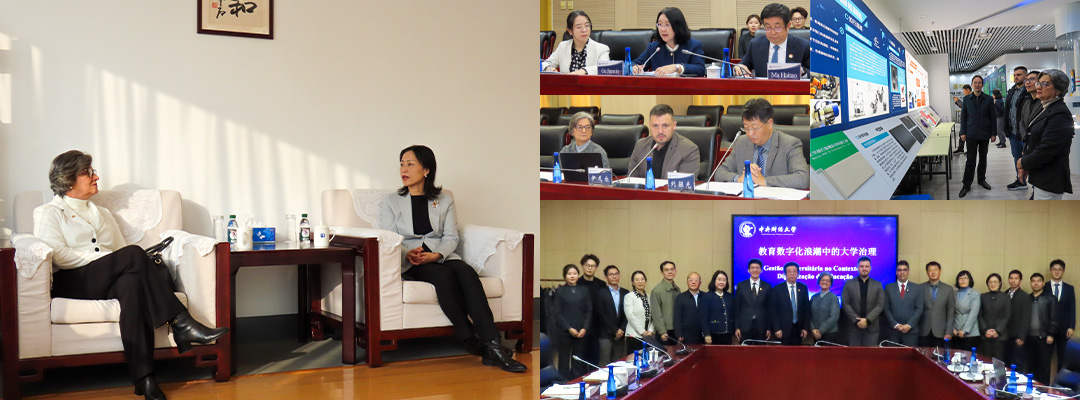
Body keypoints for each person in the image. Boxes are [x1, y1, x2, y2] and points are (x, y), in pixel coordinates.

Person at [34, 150, 230, 400]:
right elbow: (59, 255)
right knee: (134, 254)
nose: (96, 177)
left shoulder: (102, 214)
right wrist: (107, 260)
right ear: (68, 180)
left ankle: (144, 380)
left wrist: (114, 261)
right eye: (88, 172)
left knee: (132, 284)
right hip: (74, 281)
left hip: (107, 279)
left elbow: (117, 252)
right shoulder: (48, 213)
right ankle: (181, 322)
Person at [379, 145, 526, 372]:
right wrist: (407, 253)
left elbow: (451, 235)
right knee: (444, 276)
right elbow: (388, 237)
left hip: (441, 253)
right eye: (401, 164)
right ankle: (470, 340)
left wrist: (437, 254)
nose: (403, 169)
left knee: (467, 272)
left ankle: (492, 345)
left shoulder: (444, 200)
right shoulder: (391, 201)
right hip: (412, 259)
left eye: (410, 164)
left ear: (426, 169)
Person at [711, 98, 810, 189]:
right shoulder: (741, 142)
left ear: (769, 123)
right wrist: (739, 179)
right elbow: (719, 173)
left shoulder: (790, 144)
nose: (750, 134)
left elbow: (803, 178)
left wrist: (764, 181)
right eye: (746, 128)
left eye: (755, 128)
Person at [1018, 69, 1076, 200]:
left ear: (1058, 90)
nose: (1038, 87)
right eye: (1039, 83)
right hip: (1041, 175)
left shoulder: (1060, 114)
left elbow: (1047, 149)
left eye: (1045, 84)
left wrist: (1024, 162)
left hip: (1050, 178)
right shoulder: (1047, 108)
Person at [734, 3, 811, 78]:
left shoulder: (803, 46)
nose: (773, 33)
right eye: (768, 27)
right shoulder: (755, 45)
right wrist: (739, 67)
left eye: (777, 27)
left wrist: (802, 72)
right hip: (764, 89)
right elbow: (742, 65)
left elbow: (816, 74)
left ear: (788, 26)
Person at [627, 104, 700, 179]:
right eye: (655, 126)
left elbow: (683, 187)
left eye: (665, 125)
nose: (660, 131)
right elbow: (631, 181)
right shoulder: (640, 146)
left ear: (674, 125)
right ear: (650, 125)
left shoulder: (688, 150)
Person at [630, 7, 706, 76]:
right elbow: (634, 63)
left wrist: (677, 67)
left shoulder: (693, 46)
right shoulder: (654, 48)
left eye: (667, 25)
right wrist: (635, 67)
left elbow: (700, 69)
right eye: (660, 24)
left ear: (678, 26)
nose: (663, 29)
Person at [959, 75, 998, 198]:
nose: (977, 85)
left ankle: (981, 180)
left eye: (979, 83)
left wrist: (993, 133)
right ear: (972, 84)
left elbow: (993, 117)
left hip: (984, 134)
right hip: (970, 134)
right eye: (975, 83)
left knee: (983, 158)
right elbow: (963, 117)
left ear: (982, 85)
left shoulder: (988, 99)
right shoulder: (966, 99)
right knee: (970, 160)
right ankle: (966, 184)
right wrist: (962, 132)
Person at [552, 264, 592, 379]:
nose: (572, 276)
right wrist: (569, 328)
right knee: (563, 359)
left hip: (581, 331)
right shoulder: (560, 291)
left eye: (574, 273)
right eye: (569, 274)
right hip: (565, 331)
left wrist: (585, 328)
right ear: (565, 276)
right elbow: (557, 313)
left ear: (578, 275)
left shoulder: (584, 290)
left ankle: (577, 382)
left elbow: (589, 311)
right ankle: (563, 383)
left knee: (578, 359)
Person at [542, 11, 611, 75]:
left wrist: (583, 71)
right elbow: (545, 63)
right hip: (566, 87)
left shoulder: (602, 49)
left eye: (587, 26)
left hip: (590, 87)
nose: (584, 30)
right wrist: (548, 68)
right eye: (579, 27)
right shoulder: (563, 46)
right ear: (570, 31)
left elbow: (604, 68)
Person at [841, 257, 886, 346]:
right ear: (857, 267)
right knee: (854, 357)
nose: (864, 268)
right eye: (861, 266)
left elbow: (880, 305)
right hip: (854, 328)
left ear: (870, 268)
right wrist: (857, 320)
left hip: (872, 327)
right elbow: (845, 303)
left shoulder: (878, 284)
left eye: (866, 266)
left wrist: (867, 320)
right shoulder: (848, 283)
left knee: (870, 357)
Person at [1010, 70, 1042, 191]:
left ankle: (1036, 190)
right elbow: (1021, 121)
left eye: (1031, 80)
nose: (1028, 83)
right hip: (1021, 137)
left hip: (1037, 142)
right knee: (1019, 160)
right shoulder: (1027, 102)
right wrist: (1025, 137)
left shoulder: (1045, 104)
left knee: (1036, 166)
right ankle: (1022, 181)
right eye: (1027, 80)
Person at [1026, 273, 1058, 385]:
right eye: (1033, 281)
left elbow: (1054, 318)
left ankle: (1043, 391)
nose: (1036, 283)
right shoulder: (1028, 298)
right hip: (1029, 338)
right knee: (1030, 367)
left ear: (1043, 283)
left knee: (1044, 367)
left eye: (1038, 281)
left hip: (1044, 338)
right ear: (1030, 283)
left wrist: (1051, 334)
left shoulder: (1050, 298)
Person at [594, 265, 629, 366]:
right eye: (611, 274)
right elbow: (601, 314)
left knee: (619, 362)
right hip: (606, 334)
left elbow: (628, 314)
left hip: (621, 334)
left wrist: (621, 329)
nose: (614, 276)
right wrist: (614, 330)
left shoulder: (626, 292)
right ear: (606, 277)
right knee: (604, 363)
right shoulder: (601, 293)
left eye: (616, 274)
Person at [770, 262, 811, 346]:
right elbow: (774, 311)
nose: (792, 274)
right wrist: (777, 328)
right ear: (785, 274)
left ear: (798, 273)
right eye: (789, 271)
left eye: (794, 271)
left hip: (798, 329)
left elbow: (806, 309)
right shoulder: (777, 289)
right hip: (783, 329)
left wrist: (805, 328)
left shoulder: (803, 288)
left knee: (797, 355)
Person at [883, 260, 923, 347]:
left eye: (904, 270)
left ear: (908, 272)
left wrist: (909, 325)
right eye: (899, 270)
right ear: (896, 272)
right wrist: (895, 325)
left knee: (909, 359)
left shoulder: (917, 288)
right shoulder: (888, 288)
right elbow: (886, 308)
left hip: (911, 331)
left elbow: (919, 309)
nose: (902, 272)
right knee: (893, 358)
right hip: (893, 331)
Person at [734, 258, 773, 342]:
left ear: (761, 270)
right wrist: (737, 327)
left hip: (762, 326)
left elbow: (770, 309)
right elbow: (737, 308)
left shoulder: (767, 286)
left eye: (757, 268)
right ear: (748, 270)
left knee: (760, 352)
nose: (755, 270)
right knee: (745, 353)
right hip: (744, 326)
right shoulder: (741, 286)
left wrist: (769, 328)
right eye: (752, 268)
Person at [1005, 67, 1031, 190]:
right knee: (1017, 158)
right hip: (1013, 133)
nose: (1016, 77)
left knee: (1030, 158)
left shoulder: (1029, 92)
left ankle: (1036, 187)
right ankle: (1020, 181)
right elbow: (1008, 111)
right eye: (1015, 75)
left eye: (1019, 75)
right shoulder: (1011, 91)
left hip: (1025, 133)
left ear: (1026, 76)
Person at [1047, 260, 1075, 373]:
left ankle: (1059, 386)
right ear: (1050, 271)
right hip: (1047, 329)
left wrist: (1071, 326)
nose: (1057, 272)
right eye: (1054, 269)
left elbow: (1072, 308)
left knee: (1063, 359)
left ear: (1063, 271)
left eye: (1059, 270)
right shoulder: (1045, 287)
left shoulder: (1069, 288)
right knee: (1045, 359)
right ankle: (1044, 384)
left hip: (1064, 329)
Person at [576, 254, 604, 364]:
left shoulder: (601, 284)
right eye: (587, 265)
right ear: (582, 266)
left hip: (596, 327)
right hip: (580, 326)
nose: (590, 268)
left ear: (596, 268)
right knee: (580, 359)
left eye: (593, 266)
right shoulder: (576, 283)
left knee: (594, 358)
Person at [920, 261, 955, 348]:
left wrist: (948, 331)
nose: (933, 272)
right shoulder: (920, 288)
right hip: (923, 330)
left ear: (940, 271)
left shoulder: (948, 289)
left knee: (938, 359)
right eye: (930, 270)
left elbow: (950, 312)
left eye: (935, 270)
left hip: (941, 332)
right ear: (927, 272)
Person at [979, 273, 1010, 363]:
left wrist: (998, 330)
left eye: (995, 282)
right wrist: (985, 330)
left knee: (998, 363)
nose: (993, 284)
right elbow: (980, 315)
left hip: (1000, 337)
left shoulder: (1005, 297)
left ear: (1000, 283)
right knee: (985, 361)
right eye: (990, 282)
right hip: (985, 336)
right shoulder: (983, 296)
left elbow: (1007, 315)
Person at [1005, 269, 1032, 373]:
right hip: (1005, 335)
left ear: (1020, 281)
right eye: (1011, 278)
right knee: (1006, 362)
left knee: (1017, 363)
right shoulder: (1005, 294)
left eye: (1016, 278)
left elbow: (1026, 318)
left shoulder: (1025, 296)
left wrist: (1021, 337)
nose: (1013, 281)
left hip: (1017, 337)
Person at [624, 270, 657, 353]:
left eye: (642, 279)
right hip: (634, 336)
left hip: (648, 336)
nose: (640, 282)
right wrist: (643, 332)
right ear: (632, 282)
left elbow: (653, 316)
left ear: (645, 281)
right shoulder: (629, 297)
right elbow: (630, 316)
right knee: (635, 361)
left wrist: (650, 330)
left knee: (648, 361)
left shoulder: (649, 297)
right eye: (637, 280)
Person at [650, 261, 681, 345]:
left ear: (675, 271)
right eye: (666, 270)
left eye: (672, 269)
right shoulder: (657, 290)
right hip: (664, 332)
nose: (670, 272)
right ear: (662, 272)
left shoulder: (677, 289)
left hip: (676, 329)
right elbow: (656, 313)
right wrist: (662, 331)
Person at [701, 270, 735, 345]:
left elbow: (732, 315)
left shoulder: (729, 297)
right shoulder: (707, 296)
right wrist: (707, 334)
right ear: (714, 281)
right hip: (713, 335)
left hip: (728, 334)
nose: (721, 282)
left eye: (724, 280)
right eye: (719, 279)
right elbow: (704, 318)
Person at [673, 272, 706, 345]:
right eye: (690, 280)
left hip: (703, 335)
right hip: (686, 336)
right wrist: (679, 334)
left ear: (700, 282)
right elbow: (677, 317)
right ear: (687, 283)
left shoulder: (706, 296)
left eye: (696, 280)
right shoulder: (680, 297)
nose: (693, 282)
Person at [952, 270, 981, 351]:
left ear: (970, 280)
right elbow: (951, 312)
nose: (963, 280)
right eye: (960, 278)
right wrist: (952, 328)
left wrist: (965, 330)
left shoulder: (975, 294)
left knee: (968, 358)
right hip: (956, 332)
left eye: (965, 278)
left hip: (971, 333)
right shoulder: (953, 293)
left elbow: (973, 314)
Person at [810, 272, 841, 345]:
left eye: (828, 281)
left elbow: (834, 317)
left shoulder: (833, 298)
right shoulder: (814, 297)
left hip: (829, 334)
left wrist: (820, 331)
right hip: (815, 333)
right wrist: (813, 329)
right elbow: (809, 315)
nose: (825, 282)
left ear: (831, 283)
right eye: (823, 280)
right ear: (819, 282)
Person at [954, 85, 973, 153]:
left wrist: (958, 101)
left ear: (968, 90)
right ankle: (960, 148)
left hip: (969, 121)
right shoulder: (967, 98)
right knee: (961, 134)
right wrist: (957, 101)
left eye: (964, 91)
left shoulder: (971, 97)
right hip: (965, 120)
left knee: (968, 136)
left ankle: (969, 150)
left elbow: (964, 106)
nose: (964, 92)